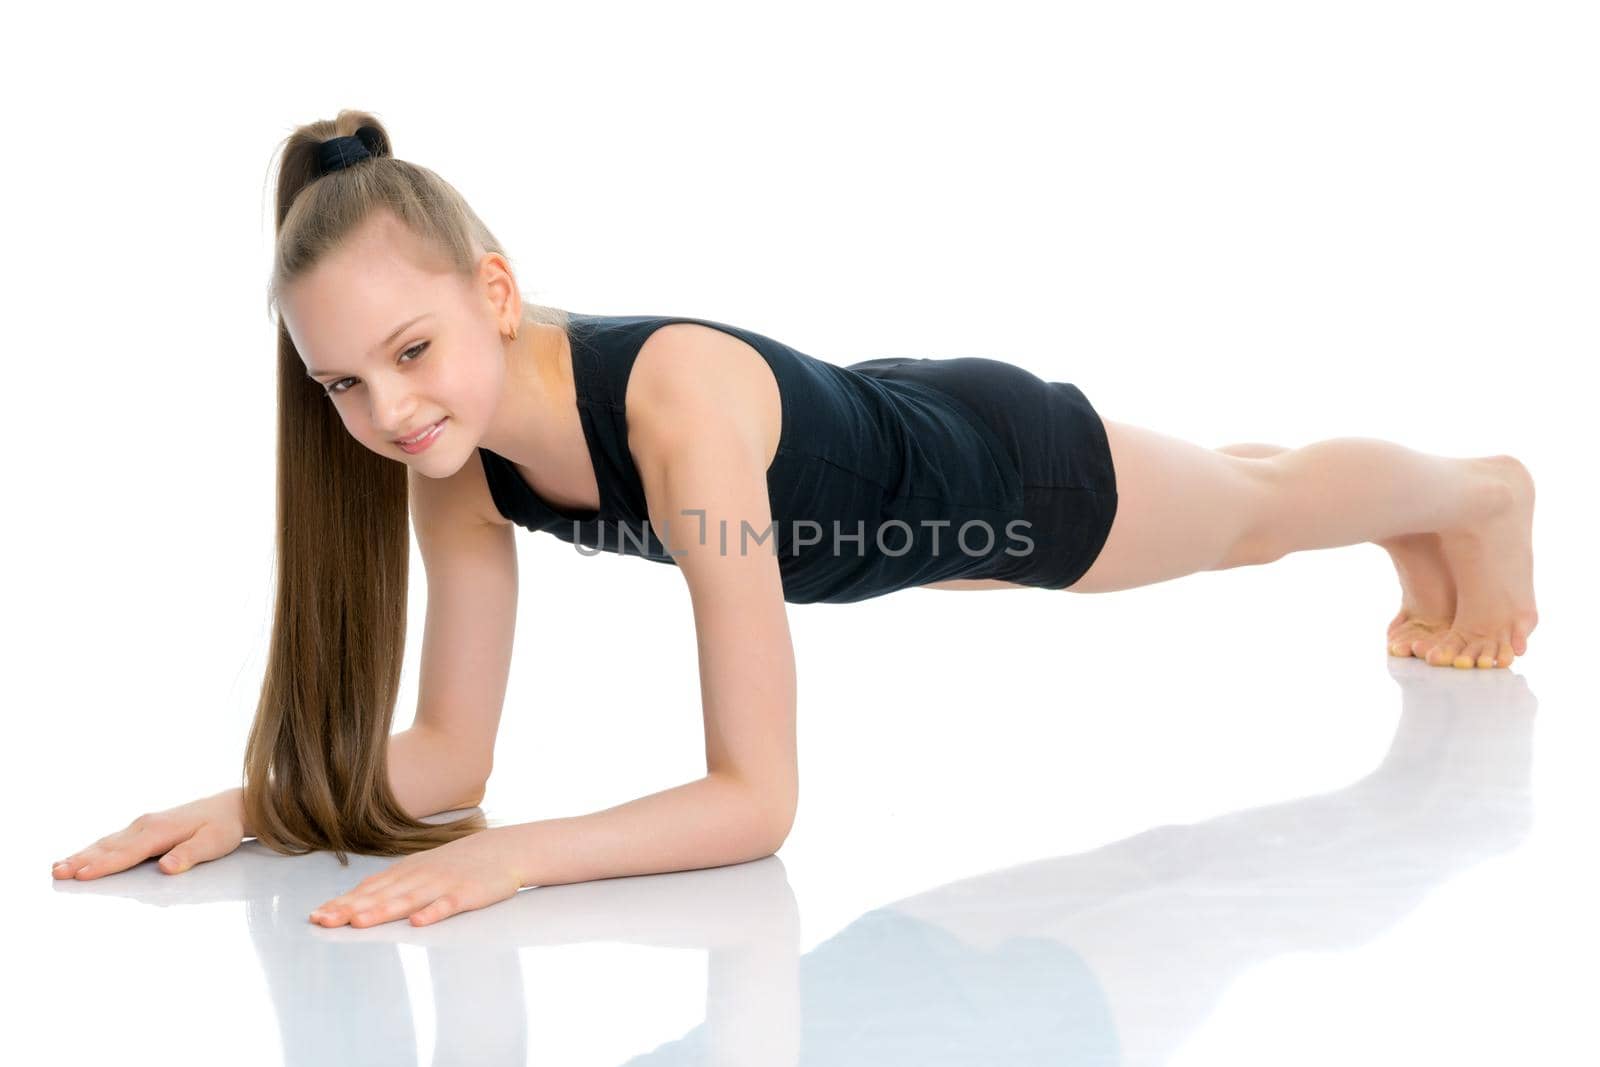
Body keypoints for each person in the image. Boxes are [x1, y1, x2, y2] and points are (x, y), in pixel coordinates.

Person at [50, 111, 1537, 929]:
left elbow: (757, 802)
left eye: (414, 352)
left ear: (492, 293)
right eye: (344, 384)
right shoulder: (459, 460)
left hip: (993, 475)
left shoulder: (673, 411)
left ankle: (1479, 494)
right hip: (861, 504)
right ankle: (1430, 508)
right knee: (1239, 482)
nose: (387, 412)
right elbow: (450, 755)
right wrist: (264, 800)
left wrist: (522, 857)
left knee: (1252, 513)